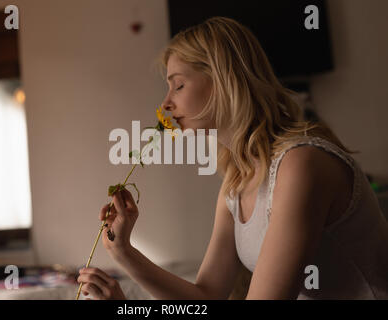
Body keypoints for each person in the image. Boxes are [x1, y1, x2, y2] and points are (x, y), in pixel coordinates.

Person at [77, 17, 388, 300]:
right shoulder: (237, 182)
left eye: (178, 85)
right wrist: (124, 252)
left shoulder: (301, 165)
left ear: (224, 80)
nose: (166, 103)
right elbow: (208, 294)